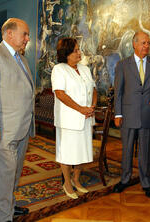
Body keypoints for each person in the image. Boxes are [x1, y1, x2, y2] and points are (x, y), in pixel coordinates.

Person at [0, 18, 35, 222]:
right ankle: (4, 217)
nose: (28, 38)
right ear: (10, 34)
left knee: (15, 173)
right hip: (2, 130)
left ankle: (9, 205)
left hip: (22, 128)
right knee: (5, 175)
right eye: (25, 34)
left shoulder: (22, 59)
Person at [113, 31, 150, 198]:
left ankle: (146, 182)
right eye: (143, 43)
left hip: (147, 115)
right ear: (134, 44)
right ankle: (124, 179)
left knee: (145, 152)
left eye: (148, 43)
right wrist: (118, 114)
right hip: (128, 115)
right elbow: (119, 92)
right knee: (127, 151)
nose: (147, 46)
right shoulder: (122, 65)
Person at [51, 37, 97, 199]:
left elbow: (93, 88)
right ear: (66, 53)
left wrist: (92, 106)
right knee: (67, 153)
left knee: (82, 152)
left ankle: (76, 180)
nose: (79, 53)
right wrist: (81, 109)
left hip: (86, 118)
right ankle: (67, 183)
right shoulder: (59, 69)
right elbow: (60, 94)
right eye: (76, 50)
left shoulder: (84, 69)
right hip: (68, 119)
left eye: (79, 49)